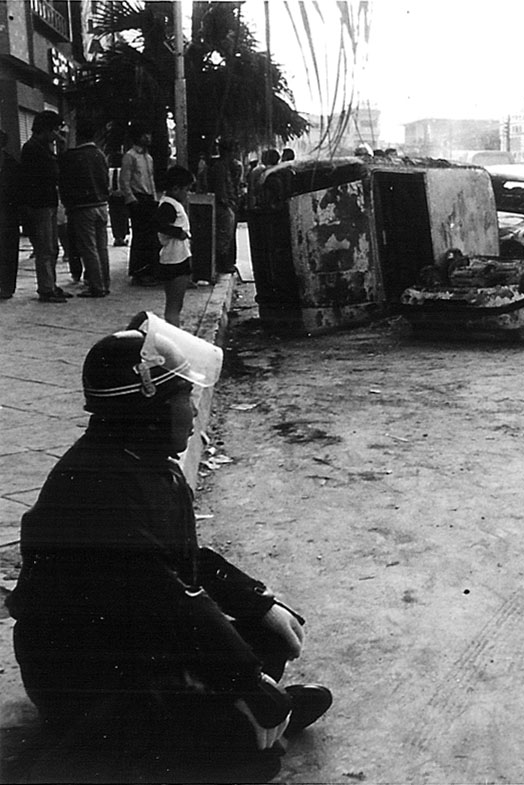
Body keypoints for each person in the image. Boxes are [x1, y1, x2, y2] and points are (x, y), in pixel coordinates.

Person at [5, 313, 332, 782]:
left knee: (268, 641)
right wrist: (246, 679)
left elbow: (183, 566)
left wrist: (258, 603)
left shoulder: (141, 462)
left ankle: (232, 713)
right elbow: (171, 603)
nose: (196, 410)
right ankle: (228, 722)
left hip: (134, 641)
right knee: (253, 761)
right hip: (85, 680)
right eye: (185, 397)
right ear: (147, 407)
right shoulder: (102, 490)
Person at [21, 110, 71, 303]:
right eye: (55, 131)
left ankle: (50, 284)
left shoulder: (43, 148)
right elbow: (55, 172)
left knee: (51, 247)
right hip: (39, 204)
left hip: (48, 201)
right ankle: (46, 288)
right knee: (45, 248)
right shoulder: (33, 149)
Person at [59, 117, 111, 298]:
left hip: (82, 207)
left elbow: (65, 183)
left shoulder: (72, 156)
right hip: (101, 205)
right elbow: (106, 181)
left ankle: (97, 286)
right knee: (101, 247)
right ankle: (104, 282)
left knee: (88, 248)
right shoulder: (100, 155)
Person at [156, 166, 195, 326]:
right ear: (176, 188)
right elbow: (159, 225)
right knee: (173, 308)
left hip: (177, 256)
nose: (187, 194)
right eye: (186, 190)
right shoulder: (168, 206)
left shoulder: (171, 204)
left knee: (176, 305)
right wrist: (179, 233)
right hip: (175, 260)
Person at [120, 124, 159, 286]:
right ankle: (139, 273)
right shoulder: (130, 156)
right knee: (140, 237)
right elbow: (124, 180)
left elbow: (150, 180)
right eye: (145, 135)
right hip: (138, 199)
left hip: (149, 199)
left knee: (150, 237)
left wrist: (155, 198)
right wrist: (131, 199)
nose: (148, 138)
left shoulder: (148, 158)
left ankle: (149, 271)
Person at [208, 138, 243, 275]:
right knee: (224, 236)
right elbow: (221, 189)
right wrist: (229, 204)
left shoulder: (224, 166)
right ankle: (223, 264)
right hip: (224, 205)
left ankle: (226, 263)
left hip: (227, 204)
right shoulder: (220, 167)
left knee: (227, 236)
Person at [0, 129, 20, 299]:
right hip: (8, 215)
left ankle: (6, 287)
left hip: (8, 215)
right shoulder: (10, 162)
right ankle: (6, 287)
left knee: (7, 252)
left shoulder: (11, 163)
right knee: (7, 252)